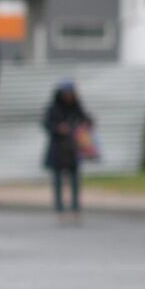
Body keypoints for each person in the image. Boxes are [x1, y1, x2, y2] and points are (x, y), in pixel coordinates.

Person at [42, 81, 92, 224]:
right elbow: (46, 124)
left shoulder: (77, 107)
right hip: (58, 148)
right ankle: (59, 208)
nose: (69, 96)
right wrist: (58, 128)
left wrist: (86, 124)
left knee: (75, 180)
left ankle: (75, 208)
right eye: (66, 94)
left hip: (73, 148)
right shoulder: (53, 108)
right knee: (57, 180)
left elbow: (87, 119)